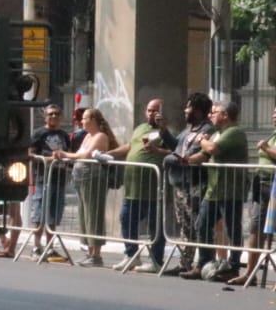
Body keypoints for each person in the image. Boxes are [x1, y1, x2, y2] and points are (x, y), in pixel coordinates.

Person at [183, 100, 248, 281]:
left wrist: (202, 139)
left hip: (230, 191)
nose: (211, 115)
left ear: (225, 114)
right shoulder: (217, 133)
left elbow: (212, 148)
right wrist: (187, 159)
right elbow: (205, 155)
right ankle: (203, 263)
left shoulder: (235, 132)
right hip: (213, 190)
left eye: (214, 112)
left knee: (232, 229)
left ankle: (233, 267)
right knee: (201, 225)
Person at [105, 98, 171, 272]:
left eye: (156, 110)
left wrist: (159, 143)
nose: (152, 113)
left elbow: (174, 152)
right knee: (126, 219)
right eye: (149, 110)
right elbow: (129, 146)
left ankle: (156, 260)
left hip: (152, 187)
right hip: (133, 187)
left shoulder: (165, 132)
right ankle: (131, 256)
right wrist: (108, 154)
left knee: (154, 225)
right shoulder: (140, 128)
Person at [54, 107, 118, 266]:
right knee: (84, 214)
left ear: (94, 120)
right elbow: (80, 154)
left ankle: (96, 255)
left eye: (85, 118)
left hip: (93, 178)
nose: (82, 121)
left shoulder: (100, 136)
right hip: (81, 178)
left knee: (93, 214)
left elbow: (86, 155)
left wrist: (65, 154)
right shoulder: (88, 136)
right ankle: (89, 252)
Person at [162, 92, 214, 276]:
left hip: (195, 184)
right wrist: (163, 131)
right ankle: (186, 262)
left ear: (199, 111)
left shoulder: (206, 130)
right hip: (180, 184)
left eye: (189, 107)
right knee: (184, 225)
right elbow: (176, 147)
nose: (185, 110)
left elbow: (191, 155)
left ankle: (202, 264)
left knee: (196, 224)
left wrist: (173, 159)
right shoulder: (188, 130)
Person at [232, 103, 276, 286]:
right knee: (255, 228)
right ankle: (250, 273)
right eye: (273, 113)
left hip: (274, 186)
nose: (274, 116)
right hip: (263, 185)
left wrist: (266, 148)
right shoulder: (273, 135)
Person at [24, 104, 71, 258]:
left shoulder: (64, 135)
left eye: (57, 114)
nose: (54, 117)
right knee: (39, 214)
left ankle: (50, 247)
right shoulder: (38, 133)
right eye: (51, 114)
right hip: (42, 178)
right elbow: (30, 154)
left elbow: (68, 153)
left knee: (54, 214)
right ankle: (36, 247)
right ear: (45, 116)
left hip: (60, 179)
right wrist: (49, 159)